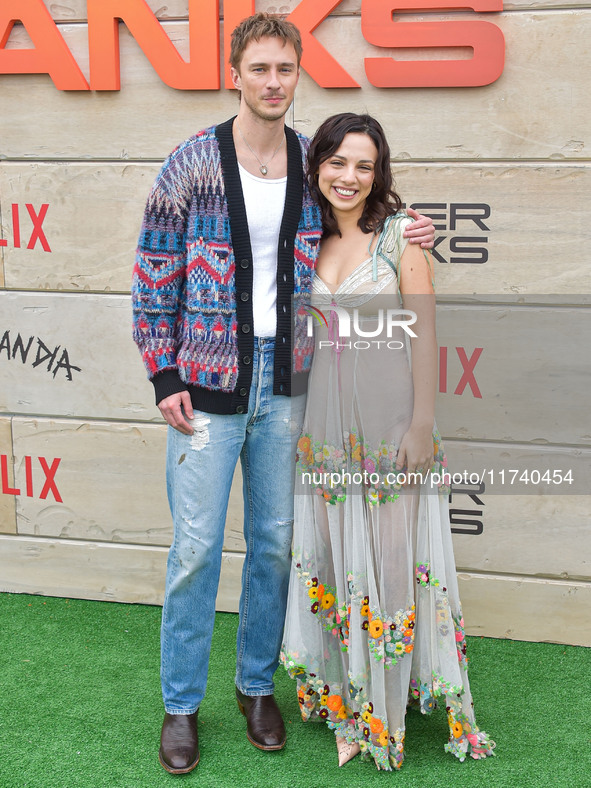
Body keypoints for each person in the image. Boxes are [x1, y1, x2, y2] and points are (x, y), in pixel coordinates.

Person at [132, 14, 435, 775]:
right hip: (203, 386)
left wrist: (408, 225)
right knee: (197, 549)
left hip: (290, 385)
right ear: (233, 74)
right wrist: (165, 374)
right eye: (259, 69)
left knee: (272, 543)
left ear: (297, 76)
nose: (273, 83)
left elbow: (357, 214)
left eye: (285, 70)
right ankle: (180, 705)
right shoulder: (191, 163)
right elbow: (153, 273)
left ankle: (255, 687)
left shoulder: (310, 162)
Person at [280, 113, 495, 771]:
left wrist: (421, 426)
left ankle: (383, 710)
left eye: (363, 165)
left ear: (379, 173)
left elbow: (425, 334)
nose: (348, 176)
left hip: (388, 425)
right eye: (337, 162)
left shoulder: (402, 235)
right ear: (316, 164)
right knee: (336, 561)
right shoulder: (303, 238)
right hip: (323, 428)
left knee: (390, 564)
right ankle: (344, 699)